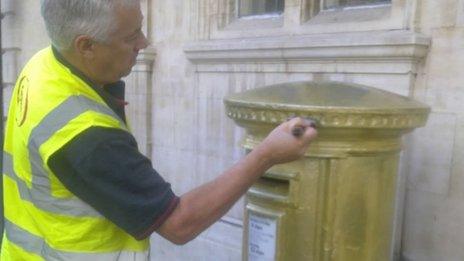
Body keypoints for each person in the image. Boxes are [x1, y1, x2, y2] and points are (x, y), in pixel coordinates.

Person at [0, 0, 317, 260]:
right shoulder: (87, 137)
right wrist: (265, 155)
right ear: (86, 46)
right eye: (131, 35)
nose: (145, 42)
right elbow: (179, 224)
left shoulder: (42, 65)